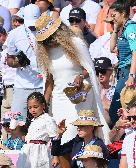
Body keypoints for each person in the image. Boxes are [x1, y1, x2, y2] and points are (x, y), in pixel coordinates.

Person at [35, 14, 110, 146]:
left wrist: (80, 76)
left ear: (59, 32)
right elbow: (49, 81)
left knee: (73, 134)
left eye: (51, 37)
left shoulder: (76, 43)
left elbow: (89, 69)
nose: (49, 41)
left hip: (80, 94)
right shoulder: (44, 52)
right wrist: (43, 106)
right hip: (59, 98)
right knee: (61, 137)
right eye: (45, 40)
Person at [13, 92, 64, 168]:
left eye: (35, 107)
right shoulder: (33, 120)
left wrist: (55, 156)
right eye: (30, 108)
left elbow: (55, 138)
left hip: (40, 152)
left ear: (43, 105)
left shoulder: (48, 119)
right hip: (28, 152)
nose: (32, 110)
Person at [6, 4, 43, 120]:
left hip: (43, 84)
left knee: (44, 123)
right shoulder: (14, 34)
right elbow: (9, 59)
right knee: (16, 122)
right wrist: (18, 62)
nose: (32, 26)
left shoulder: (47, 31)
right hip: (22, 85)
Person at [109, 1, 136, 126]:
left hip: (129, 71)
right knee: (120, 109)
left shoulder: (130, 27)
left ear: (123, 13)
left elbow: (135, 52)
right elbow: (111, 48)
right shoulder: (122, 29)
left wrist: (131, 75)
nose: (112, 18)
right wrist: (115, 29)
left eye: (114, 15)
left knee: (116, 109)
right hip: (122, 71)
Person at [93, 57, 114, 126]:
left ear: (110, 71)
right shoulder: (92, 90)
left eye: (103, 71)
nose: (100, 74)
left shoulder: (116, 91)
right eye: (97, 71)